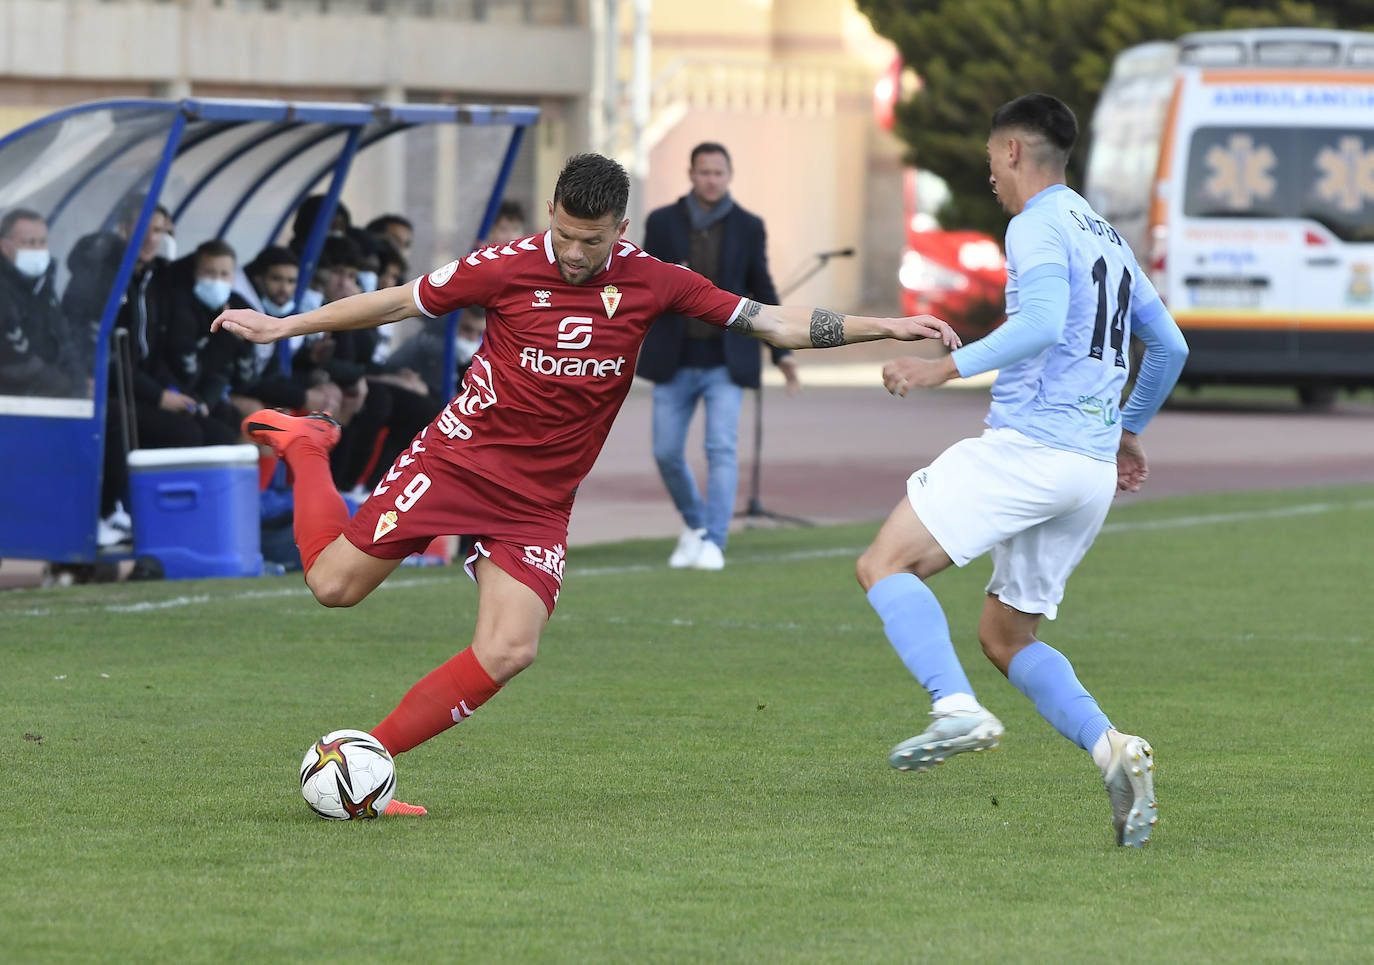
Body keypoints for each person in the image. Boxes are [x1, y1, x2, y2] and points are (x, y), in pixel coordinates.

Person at [212, 152, 960, 816]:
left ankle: (363, 761)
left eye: (591, 240)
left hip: (538, 501)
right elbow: (401, 299)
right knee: (333, 586)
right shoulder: (502, 266)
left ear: (621, 227)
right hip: (457, 460)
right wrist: (286, 327)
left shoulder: (653, 280)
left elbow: (771, 321)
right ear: (550, 216)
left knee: (510, 650)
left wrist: (886, 325)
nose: (573, 253)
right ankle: (310, 446)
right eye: (564, 234)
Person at [853, 94, 1190, 848]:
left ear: (1011, 152)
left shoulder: (1034, 223)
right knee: (1006, 634)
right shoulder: (1105, 236)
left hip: (1031, 449)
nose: (994, 180)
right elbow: (1170, 348)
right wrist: (1129, 430)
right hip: (1089, 471)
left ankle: (953, 707)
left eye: (990, 162)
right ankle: (1113, 748)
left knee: (884, 563)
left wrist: (945, 368)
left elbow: (1038, 324)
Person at [637, 142, 799, 571]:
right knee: (666, 452)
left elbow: (761, 288)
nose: (711, 179)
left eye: (718, 172)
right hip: (673, 357)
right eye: (703, 172)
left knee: (720, 449)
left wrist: (781, 353)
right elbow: (644, 285)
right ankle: (696, 525)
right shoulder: (662, 222)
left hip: (727, 359)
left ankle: (715, 541)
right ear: (691, 174)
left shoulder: (748, 226)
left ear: (729, 175)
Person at [0, 208, 83, 397]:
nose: (38, 249)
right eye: (29, 243)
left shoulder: (44, 288)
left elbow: (65, 340)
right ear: (5, 247)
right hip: (12, 406)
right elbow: (14, 360)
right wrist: (65, 386)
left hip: (50, 398)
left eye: (42, 242)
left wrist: (79, 384)